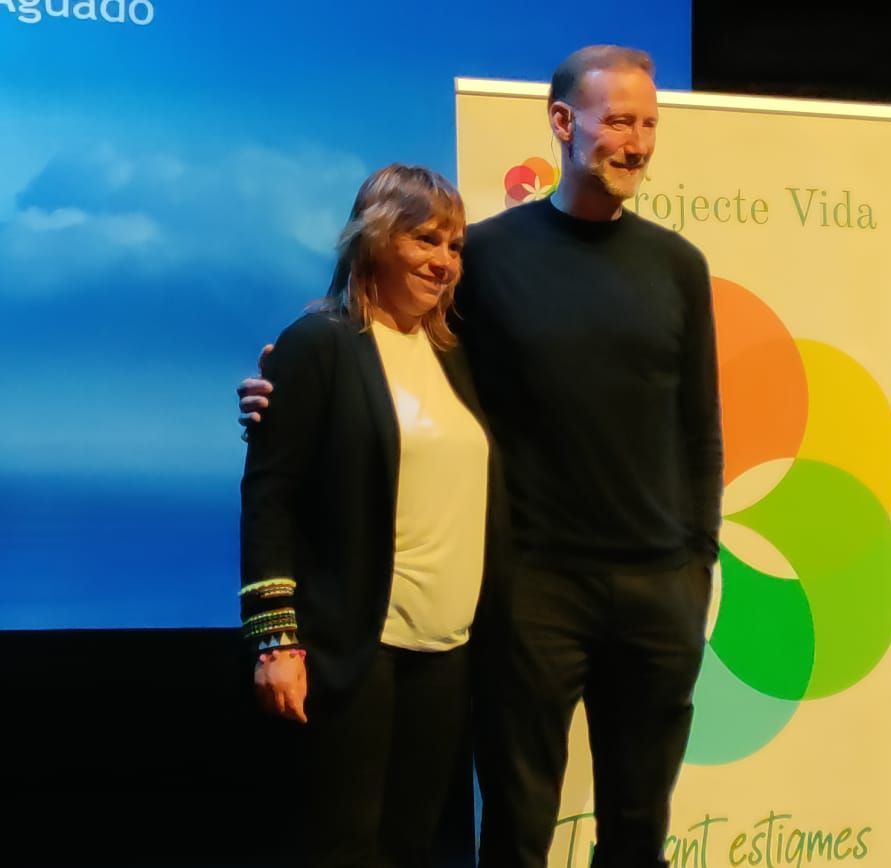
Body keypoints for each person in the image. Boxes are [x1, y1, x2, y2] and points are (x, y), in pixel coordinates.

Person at [239, 46, 723, 868]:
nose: (637, 142)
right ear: (564, 124)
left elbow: (700, 430)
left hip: (641, 595)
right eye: (619, 121)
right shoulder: (485, 259)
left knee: (634, 829)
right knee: (509, 827)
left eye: (649, 123)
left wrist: (696, 565)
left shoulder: (675, 267)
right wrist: (276, 397)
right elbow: (365, 361)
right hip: (527, 593)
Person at [239, 163, 505, 868]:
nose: (444, 262)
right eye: (426, 240)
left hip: (445, 650)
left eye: (454, 246)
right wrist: (276, 642)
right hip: (352, 647)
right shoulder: (319, 343)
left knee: (411, 846)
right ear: (376, 239)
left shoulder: (453, 356)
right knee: (342, 847)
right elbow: (271, 496)